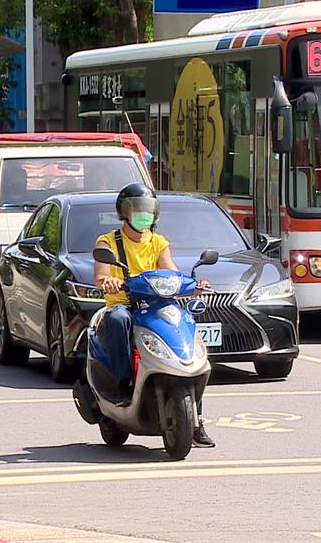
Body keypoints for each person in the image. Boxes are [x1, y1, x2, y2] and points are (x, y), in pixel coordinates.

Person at [94, 183, 215, 447]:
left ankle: (197, 419)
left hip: (156, 305)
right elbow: (101, 274)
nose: (143, 215)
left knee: (185, 325)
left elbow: (172, 271)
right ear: (124, 213)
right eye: (137, 209)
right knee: (117, 319)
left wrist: (194, 285)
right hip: (124, 304)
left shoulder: (158, 242)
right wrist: (108, 282)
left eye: (147, 210)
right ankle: (122, 380)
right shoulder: (108, 241)